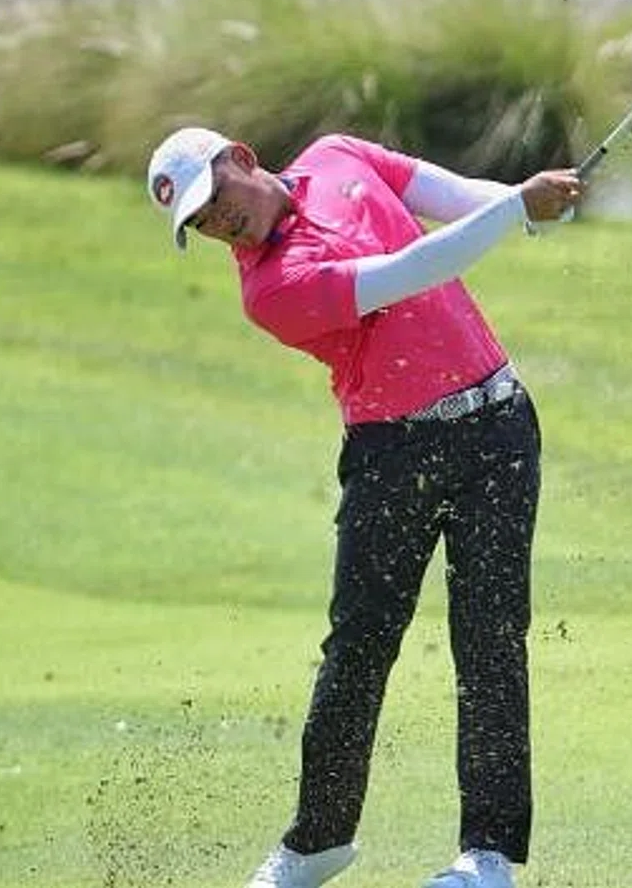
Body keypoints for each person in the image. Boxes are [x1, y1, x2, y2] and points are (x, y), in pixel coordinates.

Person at [145, 125, 585, 888]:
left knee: (490, 641)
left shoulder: (339, 156)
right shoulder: (270, 290)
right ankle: (318, 844)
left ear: (242, 158)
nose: (219, 222)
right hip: (392, 454)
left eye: (215, 198)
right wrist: (518, 208)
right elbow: (410, 270)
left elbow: (452, 200)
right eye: (201, 222)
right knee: (359, 647)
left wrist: (541, 207)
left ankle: (486, 858)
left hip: (500, 428)